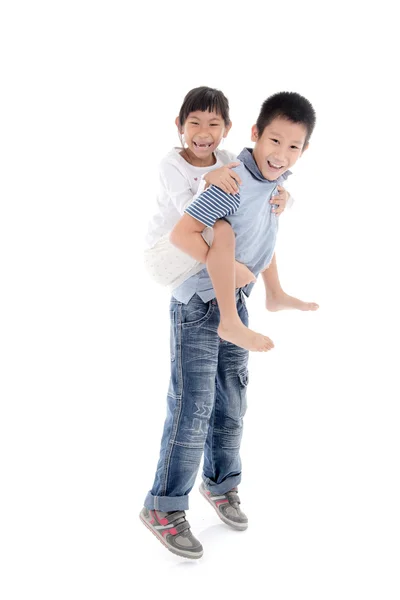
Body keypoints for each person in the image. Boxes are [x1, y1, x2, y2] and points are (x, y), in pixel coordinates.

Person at [140, 91, 318, 559]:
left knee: (232, 400)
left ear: (304, 151)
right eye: (274, 140)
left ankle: (220, 485)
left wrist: (258, 282)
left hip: (235, 301)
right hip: (199, 302)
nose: (281, 153)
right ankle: (164, 506)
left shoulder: (271, 186)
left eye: (294, 147)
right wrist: (238, 273)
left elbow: (263, 235)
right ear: (254, 134)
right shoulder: (231, 179)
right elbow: (182, 234)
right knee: (193, 405)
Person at [144, 87, 316, 354]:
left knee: (256, 214)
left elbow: (252, 195)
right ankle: (229, 320)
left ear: (227, 129)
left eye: (213, 124)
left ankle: (275, 292)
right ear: (180, 125)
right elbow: (190, 214)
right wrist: (207, 181)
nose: (203, 133)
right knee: (224, 227)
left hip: (195, 245)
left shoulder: (225, 159)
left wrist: (285, 199)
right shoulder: (172, 165)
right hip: (167, 250)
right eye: (194, 123)